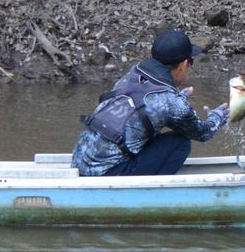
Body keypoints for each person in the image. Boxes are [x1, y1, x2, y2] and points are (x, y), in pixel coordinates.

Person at [72, 29, 229, 176]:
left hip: (80, 161)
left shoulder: (133, 74)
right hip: (103, 174)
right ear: (182, 65)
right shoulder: (171, 103)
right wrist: (217, 118)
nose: (190, 68)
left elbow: (148, 105)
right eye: (191, 62)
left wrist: (176, 101)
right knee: (180, 143)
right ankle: (153, 194)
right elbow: (202, 133)